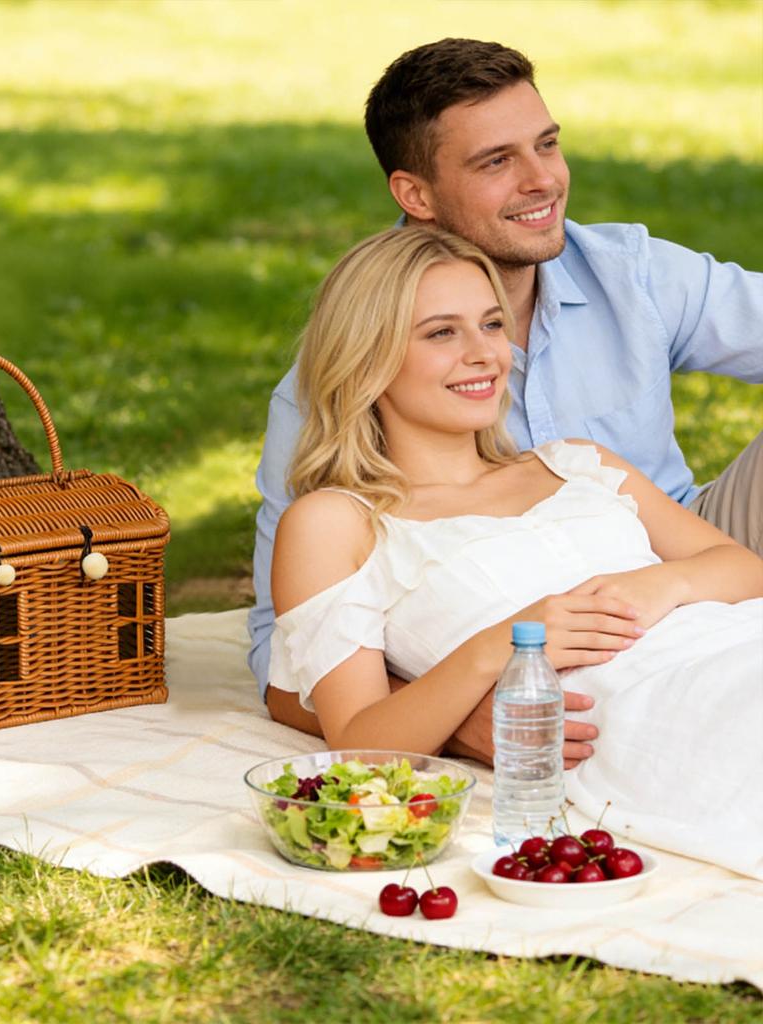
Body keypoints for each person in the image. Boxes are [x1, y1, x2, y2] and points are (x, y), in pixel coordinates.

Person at [249, 38, 763, 762]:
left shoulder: (632, 278)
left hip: (675, 546)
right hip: (587, 664)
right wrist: (459, 716)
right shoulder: (326, 406)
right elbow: (288, 658)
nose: (542, 180)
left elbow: (728, 565)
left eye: (547, 145)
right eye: (496, 162)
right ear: (416, 194)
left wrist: (662, 584)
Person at [267, 225, 763, 878]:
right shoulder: (337, 522)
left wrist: (660, 585)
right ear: (368, 358)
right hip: (665, 709)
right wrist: (500, 647)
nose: (484, 354)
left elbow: (744, 569)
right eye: (442, 332)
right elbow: (359, 742)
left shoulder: (578, 464)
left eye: (493, 325)